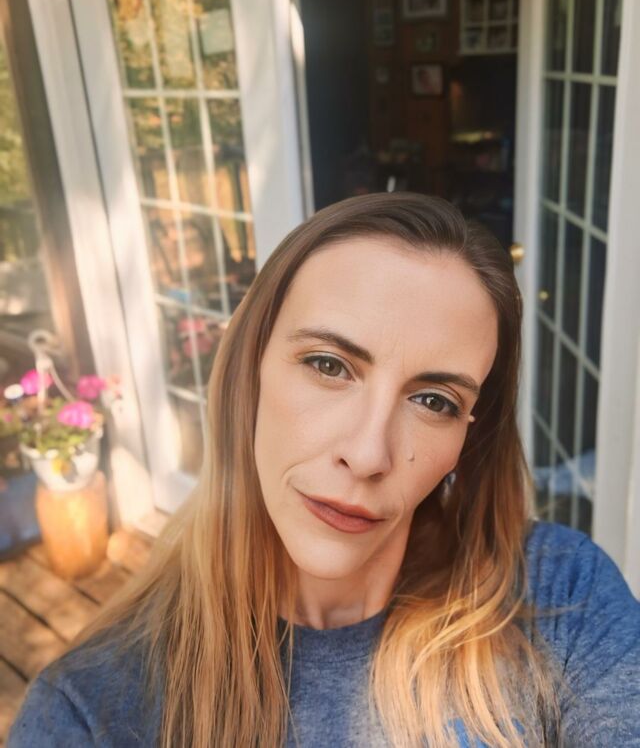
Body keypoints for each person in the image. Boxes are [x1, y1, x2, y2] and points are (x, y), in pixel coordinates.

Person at [9, 192, 640, 747]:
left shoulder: (563, 600)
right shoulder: (89, 712)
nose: (367, 456)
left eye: (434, 401)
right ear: (250, 370)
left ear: (467, 439)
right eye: (328, 365)